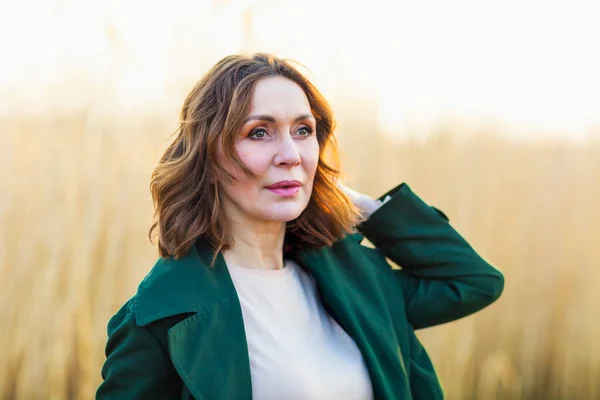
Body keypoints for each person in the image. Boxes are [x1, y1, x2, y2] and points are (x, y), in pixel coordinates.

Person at [96, 53, 504, 400]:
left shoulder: (358, 279)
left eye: (303, 131)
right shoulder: (159, 316)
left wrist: (352, 203)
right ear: (208, 156)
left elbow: (473, 281)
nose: (291, 154)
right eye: (259, 132)